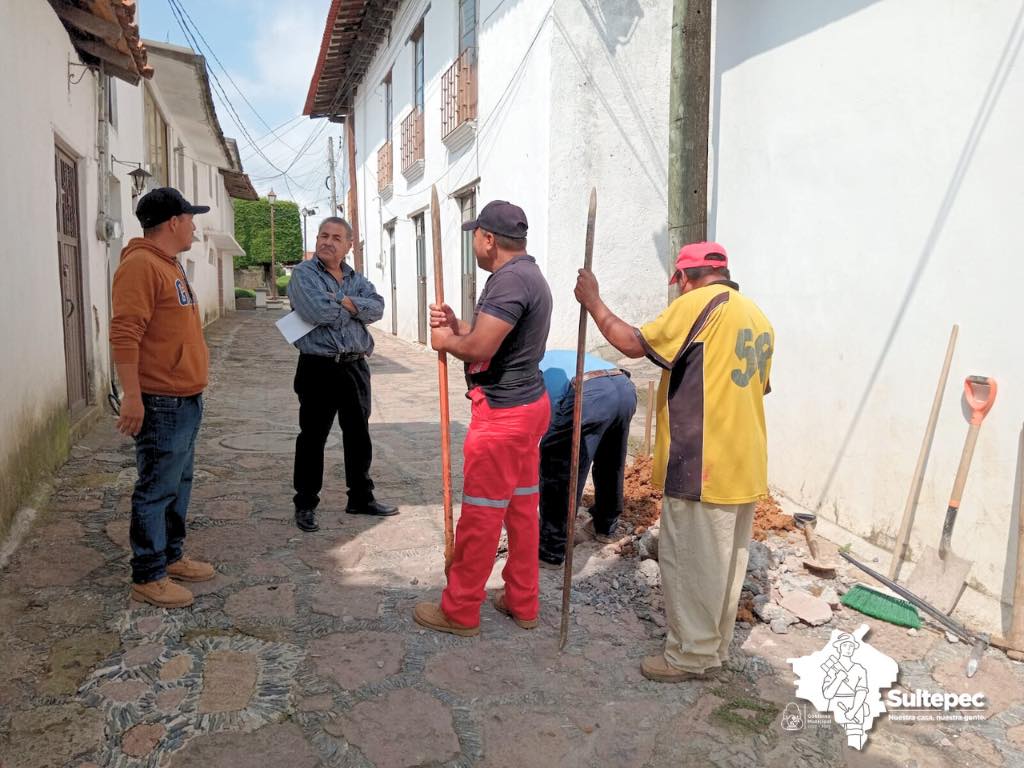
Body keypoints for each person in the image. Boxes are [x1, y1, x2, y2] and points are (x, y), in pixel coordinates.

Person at [574, 241, 773, 682]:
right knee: (725, 564)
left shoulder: (699, 303)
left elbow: (632, 343)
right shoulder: (756, 316)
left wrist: (593, 301)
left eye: (677, 284)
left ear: (684, 278)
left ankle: (689, 656)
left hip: (703, 460)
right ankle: (712, 648)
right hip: (744, 460)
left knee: (692, 562)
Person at [414, 200, 552, 636]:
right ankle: (522, 600)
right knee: (522, 509)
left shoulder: (510, 282)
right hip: (528, 407)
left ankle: (459, 610)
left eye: (476, 233)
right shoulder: (525, 275)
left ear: (489, 239)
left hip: (504, 417)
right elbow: (486, 338)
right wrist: (457, 327)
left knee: (482, 514)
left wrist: (444, 340)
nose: (473, 240)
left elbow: (480, 349)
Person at [110, 187, 216, 609]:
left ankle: (171, 556)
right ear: (173, 222)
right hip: (160, 402)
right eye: (190, 217)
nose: (194, 225)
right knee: (155, 487)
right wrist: (131, 397)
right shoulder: (140, 266)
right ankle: (148, 573)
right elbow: (124, 333)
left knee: (179, 482)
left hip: (185, 398)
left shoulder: (170, 265)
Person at [287, 216, 396, 532]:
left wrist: (342, 301)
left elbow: (377, 308)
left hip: (355, 365)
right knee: (312, 437)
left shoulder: (355, 278)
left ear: (348, 245)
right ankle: (305, 504)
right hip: (318, 366)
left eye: (336, 237)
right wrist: (353, 309)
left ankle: (360, 498)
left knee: (359, 435)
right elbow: (316, 311)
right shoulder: (303, 274)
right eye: (323, 235)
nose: (327, 241)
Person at [536, 350, 637, 568]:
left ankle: (551, 550)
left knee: (559, 467)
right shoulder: (550, 358)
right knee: (610, 461)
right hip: (624, 386)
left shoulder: (533, 375)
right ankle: (605, 526)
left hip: (589, 392)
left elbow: (546, 427)